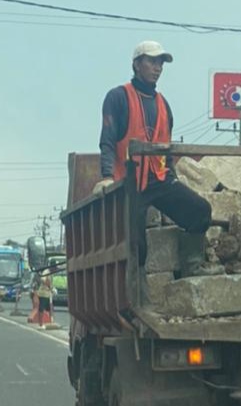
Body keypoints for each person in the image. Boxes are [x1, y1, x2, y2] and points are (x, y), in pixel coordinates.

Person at [94, 40, 213, 276]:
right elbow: (107, 139)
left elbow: (166, 149)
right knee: (136, 245)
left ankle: (193, 267)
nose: (157, 67)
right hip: (128, 183)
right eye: (152, 61)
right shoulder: (118, 97)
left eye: (160, 62)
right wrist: (107, 176)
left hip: (158, 180)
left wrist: (174, 179)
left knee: (200, 211)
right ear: (137, 64)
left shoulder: (163, 105)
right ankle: (137, 297)